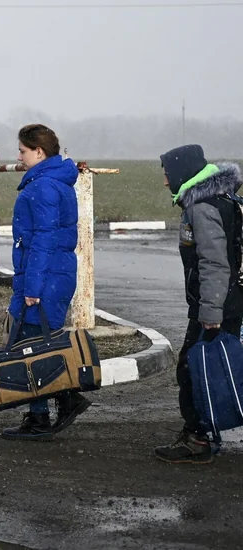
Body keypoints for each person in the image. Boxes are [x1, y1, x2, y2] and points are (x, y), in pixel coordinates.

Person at [0, 124, 90, 441]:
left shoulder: (43, 188)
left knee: (31, 348)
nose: (19, 156)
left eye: (23, 150)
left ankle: (45, 414)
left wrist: (32, 289)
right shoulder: (54, 182)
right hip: (54, 275)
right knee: (38, 345)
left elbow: (43, 241)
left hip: (46, 278)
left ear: (39, 152)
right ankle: (57, 404)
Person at [154, 145, 243, 464]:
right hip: (228, 300)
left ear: (181, 172)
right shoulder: (219, 198)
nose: (165, 181)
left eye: (166, 173)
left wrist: (210, 313)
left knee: (194, 370)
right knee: (216, 368)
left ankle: (198, 439)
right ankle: (202, 433)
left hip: (218, 304)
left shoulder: (203, 206)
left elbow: (215, 263)